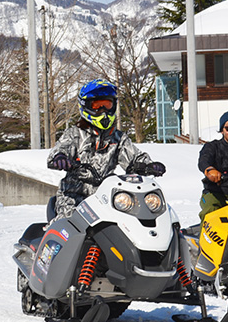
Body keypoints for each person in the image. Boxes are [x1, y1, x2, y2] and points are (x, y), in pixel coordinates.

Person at [46, 79, 166, 220]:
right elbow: (62, 148)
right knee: (70, 222)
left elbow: (133, 157)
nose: (103, 111)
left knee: (128, 220)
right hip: (74, 195)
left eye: (107, 105)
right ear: (86, 106)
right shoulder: (74, 134)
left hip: (106, 196)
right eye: (98, 105)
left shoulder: (118, 138)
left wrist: (148, 165)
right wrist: (60, 158)